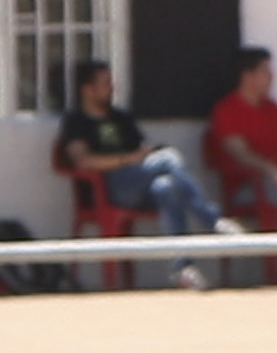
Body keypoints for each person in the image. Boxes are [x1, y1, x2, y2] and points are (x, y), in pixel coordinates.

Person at [56, 60, 247, 270]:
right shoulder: (77, 121)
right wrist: (126, 159)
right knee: (168, 158)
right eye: (105, 83)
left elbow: (140, 149)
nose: (111, 88)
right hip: (110, 188)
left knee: (165, 186)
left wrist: (146, 153)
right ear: (87, 89)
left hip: (140, 183)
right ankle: (213, 219)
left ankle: (183, 268)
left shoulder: (121, 118)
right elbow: (83, 161)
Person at [207, 47, 277, 233]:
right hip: (250, 185)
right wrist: (275, 172)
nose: (272, 77)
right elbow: (241, 154)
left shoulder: (272, 108)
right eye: (265, 71)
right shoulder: (227, 110)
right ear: (248, 76)